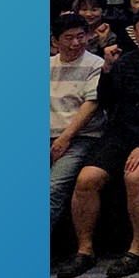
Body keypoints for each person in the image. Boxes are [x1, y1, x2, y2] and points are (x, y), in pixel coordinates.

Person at [56, 7, 139, 278]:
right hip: (120, 133)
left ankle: (138, 249)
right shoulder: (125, 61)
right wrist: (108, 69)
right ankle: (85, 251)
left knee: (135, 176)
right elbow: (107, 100)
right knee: (86, 179)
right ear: (134, 32)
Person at [49, 15, 104, 232]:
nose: (75, 43)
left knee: (53, 189)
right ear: (55, 41)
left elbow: (91, 104)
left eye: (81, 37)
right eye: (68, 38)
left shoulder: (96, 64)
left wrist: (65, 138)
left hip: (79, 137)